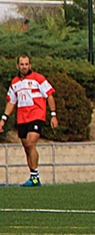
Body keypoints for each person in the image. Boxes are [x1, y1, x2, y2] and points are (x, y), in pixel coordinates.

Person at [1, 56, 58, 187]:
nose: (24, 66)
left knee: (31, 143)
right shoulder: (15, 82)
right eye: (22, 64)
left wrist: (53, 115)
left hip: (37, 116)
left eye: (26, 64)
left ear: (30, 65)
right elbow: (11, 102)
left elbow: (49, 95)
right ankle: (34, 177)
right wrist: (3, 119)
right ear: (18, 66)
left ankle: (35, 177)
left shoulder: (38, 78)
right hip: (22, 118)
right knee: (27, 147)